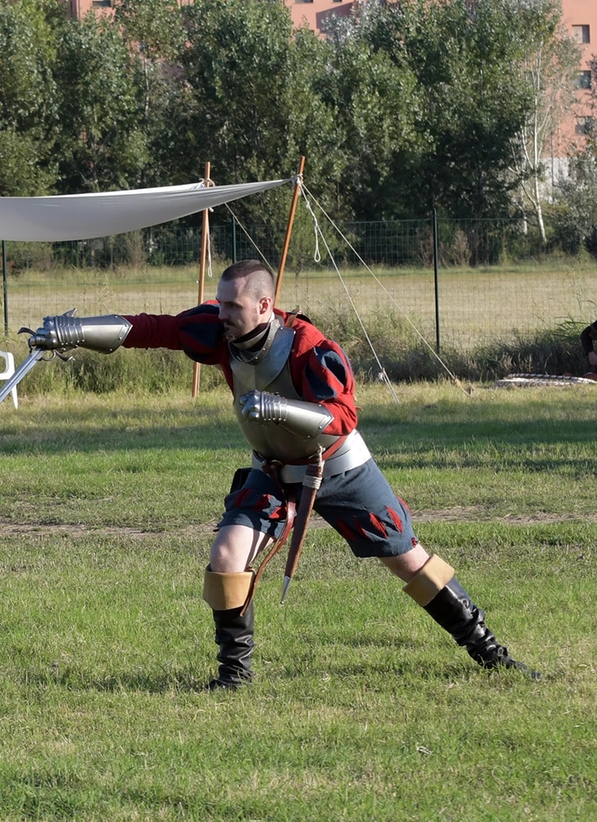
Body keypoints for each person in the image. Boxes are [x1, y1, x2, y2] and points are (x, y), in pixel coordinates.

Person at [29, 259, 535, 689]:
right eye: (221, 303)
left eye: (233, 306)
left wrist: (278, 407)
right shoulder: (217, 330)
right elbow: (151, 328)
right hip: (271, 470)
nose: (221, 314)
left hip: (339, 468)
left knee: (408, 561)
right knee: (227, 555)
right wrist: (76, 331)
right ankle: (234, 675)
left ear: (265, 306)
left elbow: (343, 416)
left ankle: (489, 652)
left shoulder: (308, 346)